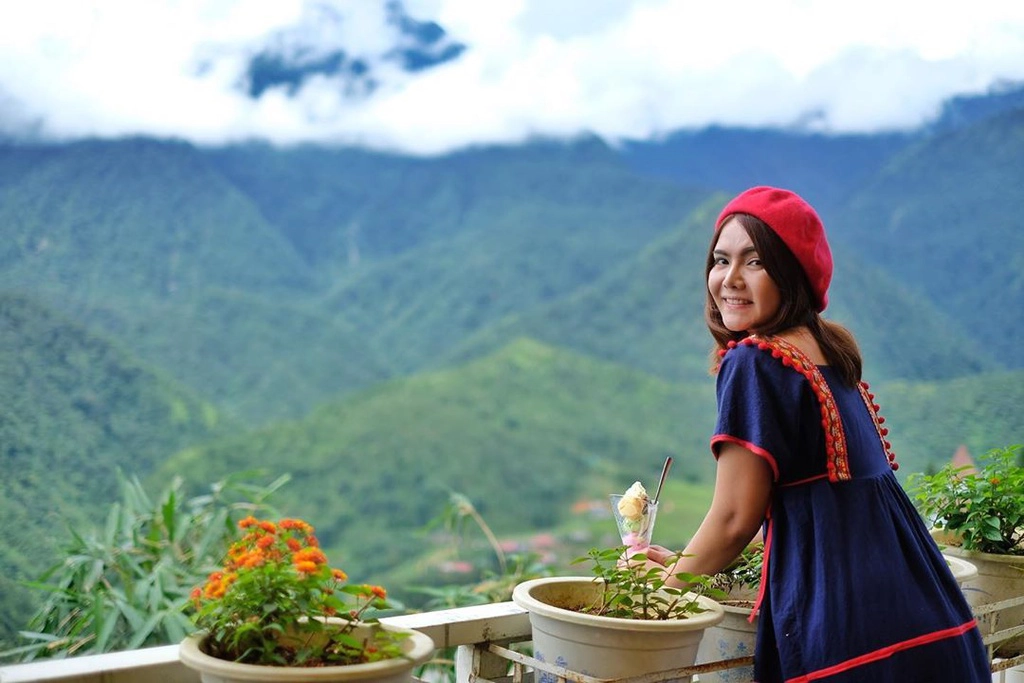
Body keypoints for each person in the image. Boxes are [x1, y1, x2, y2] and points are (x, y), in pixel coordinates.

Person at [642, 186, 991, 682]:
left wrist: (662, 587)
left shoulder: (755, 362)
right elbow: (821, 508)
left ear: (792, 275)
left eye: (755, 262)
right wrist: (684, 563)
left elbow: (735, 518)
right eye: (720, 261)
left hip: (847, 636)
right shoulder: (828, 351)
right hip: (932, 621)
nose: (729, 280)